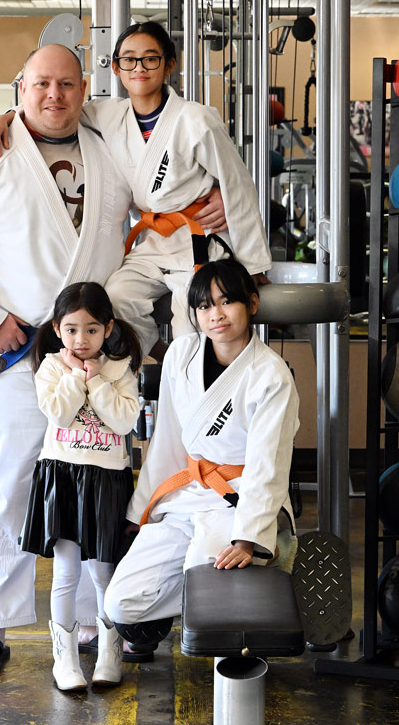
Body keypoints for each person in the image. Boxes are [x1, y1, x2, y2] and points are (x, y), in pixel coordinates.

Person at [0, 44, 133, 675]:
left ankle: (94, 619)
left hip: (92, 357)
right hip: (17, 354)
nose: (54, 96)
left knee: (96, 483)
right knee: (4, 486)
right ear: (20, 86)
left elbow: (160, 201)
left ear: (85, 87)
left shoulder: (110, 149)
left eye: (67, 84)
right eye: (41, 84)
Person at [0, 22, 270, 359]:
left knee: (190, 315)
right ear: (117, 67)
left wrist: (254, 265)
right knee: (114, 301)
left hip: (199, 240)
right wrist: (8, 116)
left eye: (150, 59)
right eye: (129, 60)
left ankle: (195, 387)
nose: (139, 68)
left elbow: (238, 186)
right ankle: (160, 363)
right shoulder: (108, 115)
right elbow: (53, 109)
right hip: (152, 242)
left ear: (169, 64)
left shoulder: (197, 120)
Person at [102, 258, 299, 652]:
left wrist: (248, 539)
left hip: (239, 500)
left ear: (253, 304)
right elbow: (169, 439)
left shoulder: (271, 375)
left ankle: (262, 571)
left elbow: (268, 466)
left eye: (227, 302)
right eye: (205, 306)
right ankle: (217, 597)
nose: (216, 315)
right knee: (120, 603)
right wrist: (144, 509)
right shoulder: (181, 354)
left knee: (208, 579)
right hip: (189, 495)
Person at [22, 281, 142, 690]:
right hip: (63, 476)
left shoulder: (120, 368)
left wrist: (98, 382)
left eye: (91, 329)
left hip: (107, 480)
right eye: (72, 329)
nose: (81, 338)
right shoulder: (52, 368)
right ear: (58, 329)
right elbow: (57, 413)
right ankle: (65, 660)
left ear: (107, 329)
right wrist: (77, 377)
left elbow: (124, 422)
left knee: (105, 573)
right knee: (66, 574)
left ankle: (110, 653)